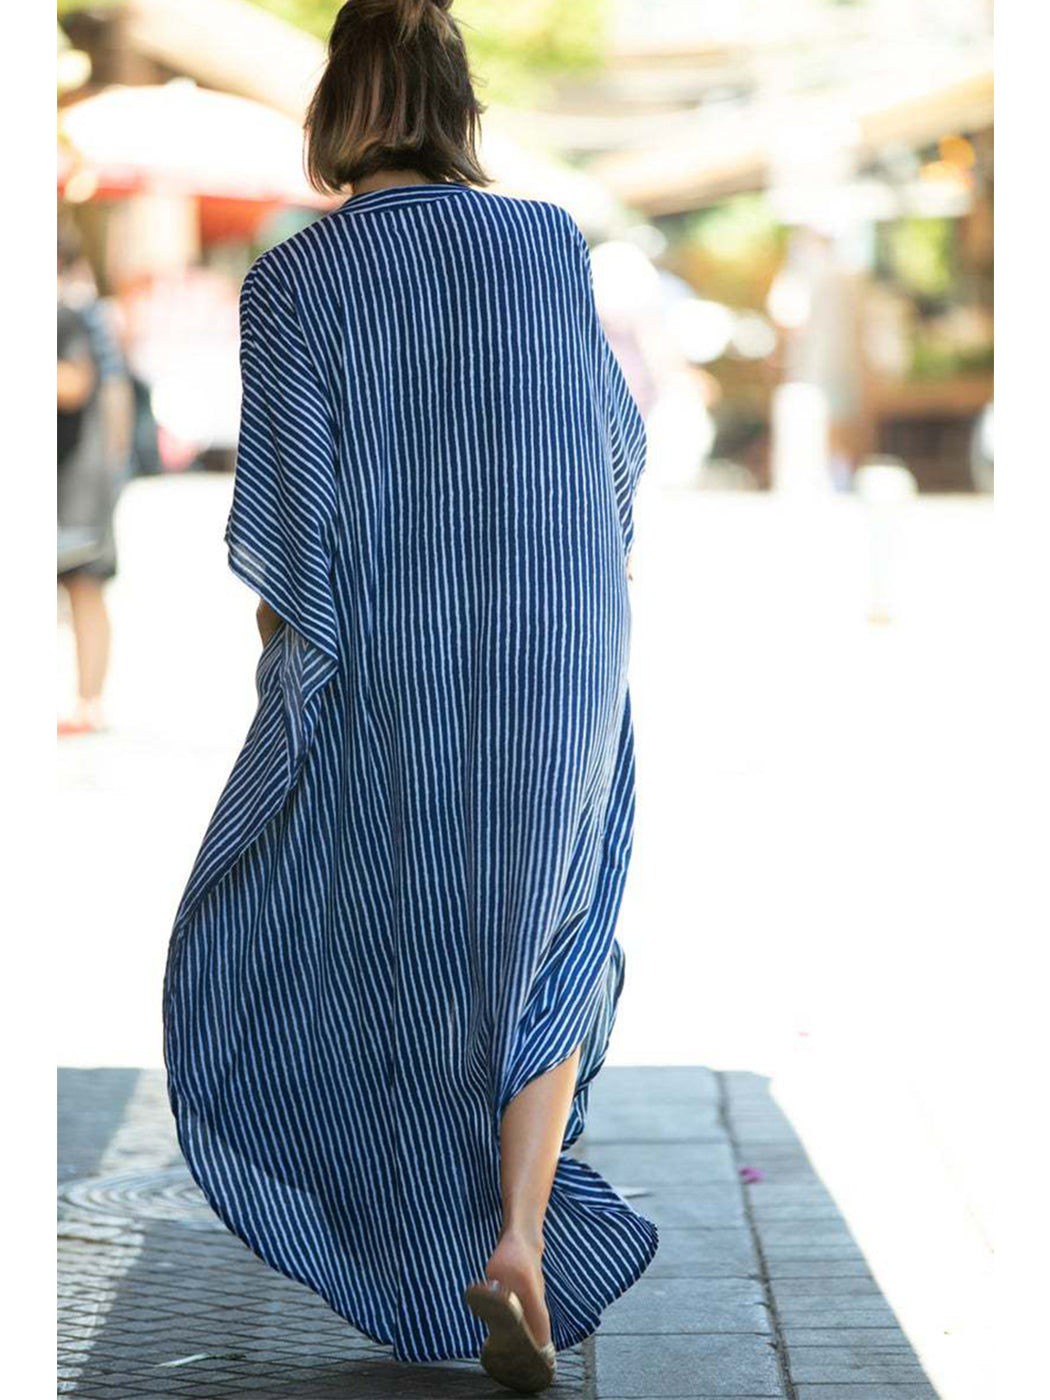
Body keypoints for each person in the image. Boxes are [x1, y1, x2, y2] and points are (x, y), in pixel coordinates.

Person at [162, 1, 655, 1392]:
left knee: (395, 935)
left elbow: (290, 519)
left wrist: (290, 674)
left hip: (394, 650)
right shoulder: (545, 243)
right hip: (562, 637)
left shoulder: (296, 278)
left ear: (334, 106)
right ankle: (516, 1239)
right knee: (555, 927)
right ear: (459, 102)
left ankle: (413, 1220)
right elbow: (615, 454)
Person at [57, 219, 132, 736]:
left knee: (85, 585)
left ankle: (89, 700)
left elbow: (76, 384)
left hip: (78, 477)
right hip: (80, 471)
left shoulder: (71, 312)